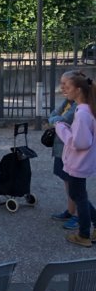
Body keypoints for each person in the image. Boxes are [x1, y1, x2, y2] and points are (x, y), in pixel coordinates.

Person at [54, 71, 96, 248]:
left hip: (79, 161)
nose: (64, 89)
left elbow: (80, 142)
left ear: (78, 90)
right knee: (78, 194)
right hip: (81, 160)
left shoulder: (83, 113)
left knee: (78, 196)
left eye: (68, 87)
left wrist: (61, 127)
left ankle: (84, 234)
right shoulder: (86, 109)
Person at [49, 74, 78, 230]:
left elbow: (63, 120)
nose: (62, 88)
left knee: (74, 183)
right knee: (66, 180)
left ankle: (78, 215)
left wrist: (56, 120)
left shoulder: (78, 106)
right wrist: (57, 120)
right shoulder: (67, 102)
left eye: (65, 84)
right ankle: (70, 210)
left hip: (70, 150)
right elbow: (53, 116)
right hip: (61, 148)